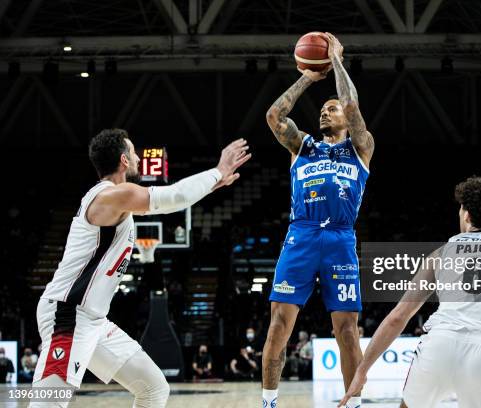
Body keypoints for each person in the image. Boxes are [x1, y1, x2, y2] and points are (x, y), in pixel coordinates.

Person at [29, 129, 250, 408]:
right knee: (48, 403)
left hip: (93, 320)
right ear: (123, 160)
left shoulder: (119, 200)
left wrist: (212, 184)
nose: (137, 158)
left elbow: (179, 196)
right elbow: (174, 196)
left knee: (153, 388)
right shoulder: (111, 196)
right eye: (133, 153)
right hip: (68, 313)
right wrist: (217, 171)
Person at [339, 177, 481, 408]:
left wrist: (362, 370)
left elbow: (399, 316)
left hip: (438, 345)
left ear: (467, 215)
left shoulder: (441, 253)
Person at [262, 32, 374, 408]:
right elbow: (275, 116)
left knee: (347, 330)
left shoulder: (360, 147)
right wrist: (308, 77)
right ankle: (269, 401)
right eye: (322, 109)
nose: (325, 111)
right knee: (279, 323)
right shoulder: (303, 146)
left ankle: (353, 403)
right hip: (302, 235)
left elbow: (352, 105)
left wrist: (337, 60)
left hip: (340, 239)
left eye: (332, 108)